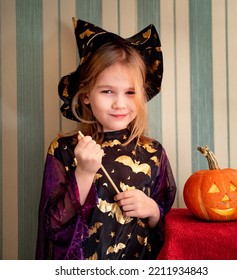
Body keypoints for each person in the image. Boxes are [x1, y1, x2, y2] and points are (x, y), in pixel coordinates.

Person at [35, 17, 177, 260]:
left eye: (131, 92)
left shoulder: (153, 153)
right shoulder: (65, 149)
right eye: (107, 91)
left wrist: (153, 211)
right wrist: (84, 173)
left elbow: (166, 232)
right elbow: (53, 227)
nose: (120, 103)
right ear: (87, 94)